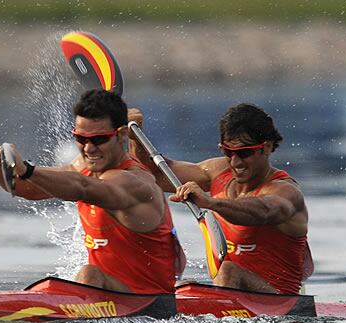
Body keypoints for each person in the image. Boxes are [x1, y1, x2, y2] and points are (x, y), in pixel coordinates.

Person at [0, 89, 184, 294]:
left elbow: (82, 188)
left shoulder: (135, 182)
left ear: (122, 135)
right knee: (84, 276)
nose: (88, 148)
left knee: (88, 273)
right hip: (108, 294)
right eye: (80, 138)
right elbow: (28, 188)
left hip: (149, 302)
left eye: (99, 139)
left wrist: (26, 168)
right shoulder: (82, 166)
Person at [129, 103, 312, 294]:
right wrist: (135, 138)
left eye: (244, 153)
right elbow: (154, 175)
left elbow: (263, 211)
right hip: (232, 292)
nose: (235, 162)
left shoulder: (286, 192)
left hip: (281, 299)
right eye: (227, 152)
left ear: (265, 148)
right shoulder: (217, 171)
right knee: (181, 287)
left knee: (227, 269)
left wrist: (210, 203)